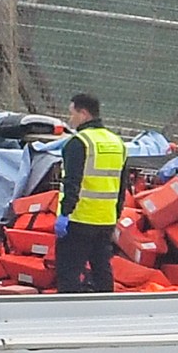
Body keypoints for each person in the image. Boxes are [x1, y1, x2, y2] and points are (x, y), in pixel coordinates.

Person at [55, 93, 126, 293]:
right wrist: (116, 216)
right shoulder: (117, 143)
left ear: (84, 114)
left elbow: (72, 183)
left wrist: (64, 214)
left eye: (72, 114)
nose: (70, 119)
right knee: (102, 271)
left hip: (79, 220)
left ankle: (69, 318)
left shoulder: (79, 142)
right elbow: (122, 186)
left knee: (68, 273)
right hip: (105, 221)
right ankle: (103, 315)